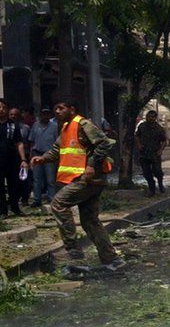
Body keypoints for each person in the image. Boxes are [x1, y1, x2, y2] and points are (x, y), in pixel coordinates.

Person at [30, 98, 124, 269]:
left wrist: (91, 165)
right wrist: (42, 159)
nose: (57, 111)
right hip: (83, 180)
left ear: (71, 109)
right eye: (55, 108)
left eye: (61, 108)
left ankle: (73, 249)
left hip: (87, 179)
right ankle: (111, 258)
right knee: (90, 221)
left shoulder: (83, 124)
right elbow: (57, 150)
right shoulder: (66, 128)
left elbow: (104, 143)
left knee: (58, 204)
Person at [0, 99, 29, 217]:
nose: (1, 110)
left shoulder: (13, 124)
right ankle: (1, 211)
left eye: (4, 107)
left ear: (7, 109)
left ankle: (15, 207)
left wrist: (23, 159)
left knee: (14, 185)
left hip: (12, 159)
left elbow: (19, 143)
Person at [27, 107, 58, 206]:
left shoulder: (55, 126)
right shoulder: (35, 125)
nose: (45, 116)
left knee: (50, 179)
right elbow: (31, 141)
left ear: (50, 115)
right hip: (37, 154)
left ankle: (52, 199)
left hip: (49, 155)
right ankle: (37, 200)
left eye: (47, 114)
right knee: (37, 179)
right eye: (44, 114)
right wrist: (31, 156)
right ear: (40, 115)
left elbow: (58, 142)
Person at [134, 110, 168, 196]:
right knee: (146, 172)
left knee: (157, 171)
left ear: (155, 118)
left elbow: (164, 141)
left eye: (153, 117)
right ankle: (151, 189)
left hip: (155, 153)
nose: (151, 118)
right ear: (146, 117)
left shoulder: (159, 128)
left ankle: (160, 185)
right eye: (149, 117)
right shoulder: (142, 126)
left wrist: (160, 150)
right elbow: (137, 136)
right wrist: (138, 145)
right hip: (144, 153)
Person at [10, 107, 32, 207]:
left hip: (24, 156)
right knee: (14, 179)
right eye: (11, 114)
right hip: (11, 156)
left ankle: (25, 198)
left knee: (25, 179)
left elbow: (29, 142)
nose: (13, 116)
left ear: (19, 116)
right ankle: (14, 200)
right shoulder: (6, 127)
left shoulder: (26, 128)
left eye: (15, 115)